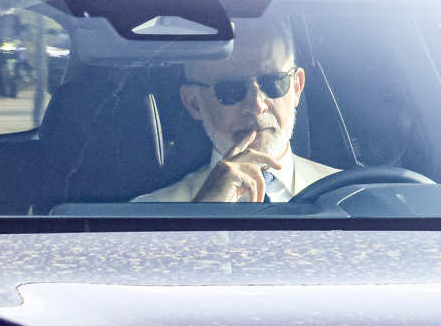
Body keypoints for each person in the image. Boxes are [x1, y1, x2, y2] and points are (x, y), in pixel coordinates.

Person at [136, 18, 337, 203]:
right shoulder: (149, 212)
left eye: (273, 83)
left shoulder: (354, 196)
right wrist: (203, 213)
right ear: (194, 103)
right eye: (230, 90)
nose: (257, 106)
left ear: (296, 87)